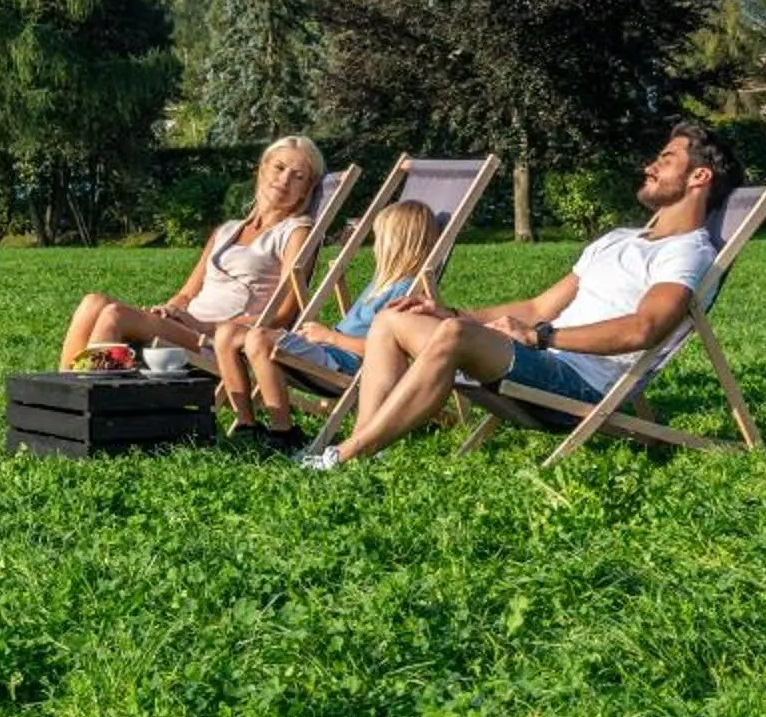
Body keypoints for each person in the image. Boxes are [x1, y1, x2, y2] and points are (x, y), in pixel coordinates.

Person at [306, 123, 740, 468]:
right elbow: (537, 307)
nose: (650, 165)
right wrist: (451, 311)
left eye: (666, 159)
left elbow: (645, 328)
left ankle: (346, 454)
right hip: (541, 356)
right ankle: (364, 445)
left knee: (455, 336)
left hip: (579, 383)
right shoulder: (618, 239)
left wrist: (542, 337)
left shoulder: (688, 252)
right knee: (393, 319)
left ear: (699, 176)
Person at [58, 136, 327, 370]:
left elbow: (283, 316)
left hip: (221, 341)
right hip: (187, 326)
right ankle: (62, 402)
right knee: (94, 302)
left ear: (307, 189)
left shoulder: (295, 232)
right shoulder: (228, 230)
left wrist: (203, 326)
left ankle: (89, 407)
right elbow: (187, 294)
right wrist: (169, 310)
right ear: (262, 169)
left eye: (298, 176)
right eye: (279, 168)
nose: (284, 179)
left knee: (114, 315)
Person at [209, 197, 435, 452]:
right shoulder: (383, 282)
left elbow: (390, 349)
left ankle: (283, 432)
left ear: (396, 243)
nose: (375, 247)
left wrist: (330, 337)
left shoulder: (406, 292)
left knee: (259, 338)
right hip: (329, 351)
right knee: (227, 333)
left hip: (344, 364)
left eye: (379, 239)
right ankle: (246, 424)